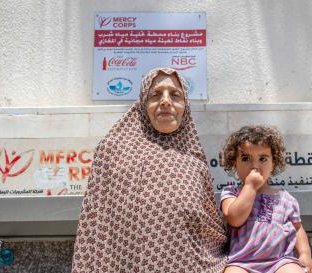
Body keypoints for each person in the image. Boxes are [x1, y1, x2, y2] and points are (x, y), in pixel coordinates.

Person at [72, 68, 227, 273]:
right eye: (155, 95)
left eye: (175, 95)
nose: (165, 101)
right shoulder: (113, 152)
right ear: (143, 104)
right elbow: (94, 225)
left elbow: (210, 227)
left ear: (185, 106)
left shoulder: (195, 161)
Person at [219, 126, 312, 273]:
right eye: (246, 159)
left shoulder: (285, 198)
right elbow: (234, 218)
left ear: (274, 163)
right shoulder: (231, 193)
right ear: (234, 163)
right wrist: (250, 187)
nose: (255, 166)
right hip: (241, 262)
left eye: (263, 159)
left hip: (279, 261)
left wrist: (304, 254)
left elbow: (297, 228)